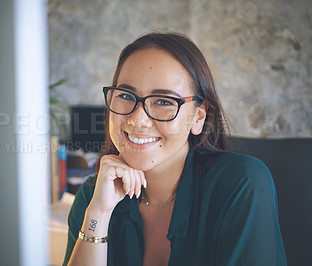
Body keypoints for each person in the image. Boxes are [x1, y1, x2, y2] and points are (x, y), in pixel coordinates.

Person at [63, 32, 287, 266]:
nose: (138, 120)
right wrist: (99, 214)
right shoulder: (94, 195)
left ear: (198, 117)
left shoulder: (242, 182)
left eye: (163, 101)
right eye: (127, 96)